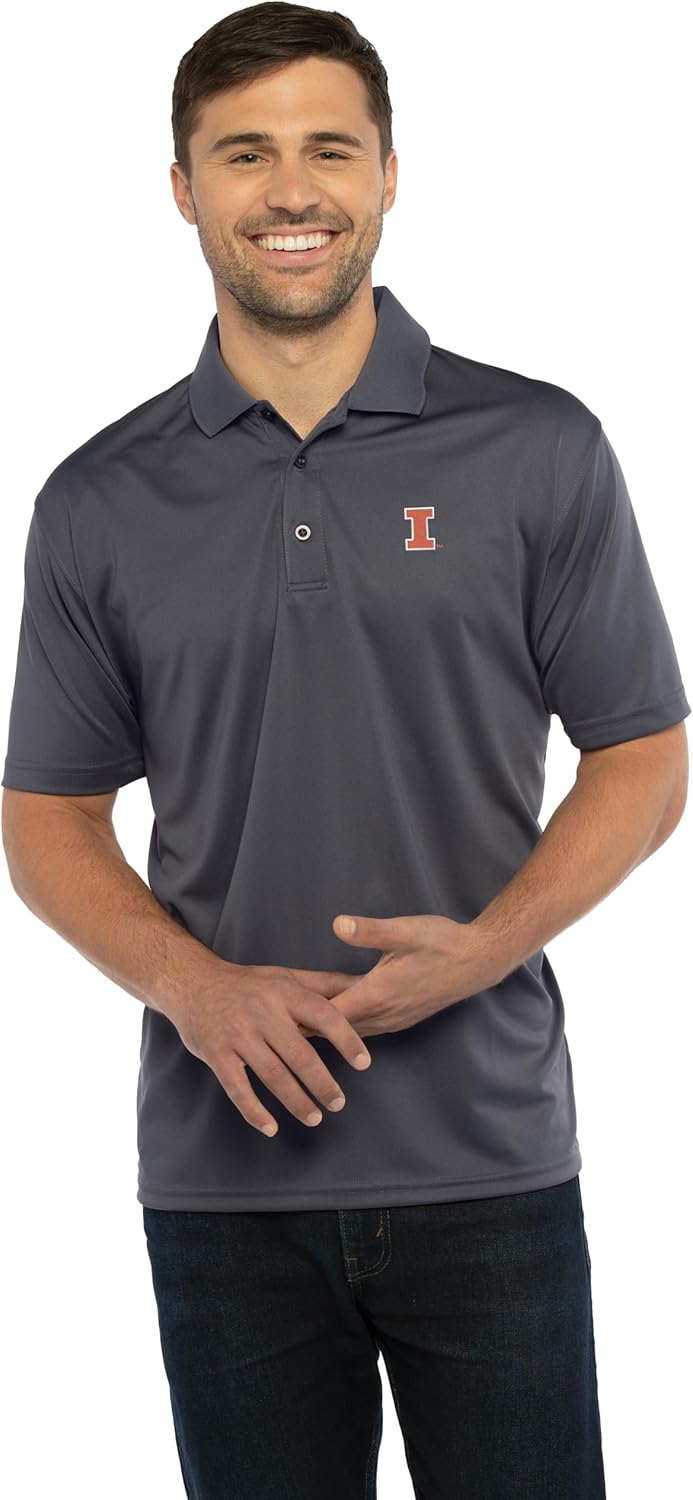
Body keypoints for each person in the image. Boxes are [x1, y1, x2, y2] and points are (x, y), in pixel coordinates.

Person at [1, 3, 689, 1495]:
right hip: (222, 1175)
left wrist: (487, 947)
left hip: (487, 1153)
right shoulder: (96, 500)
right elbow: (46, 814)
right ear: (183, 187)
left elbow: (644, 752)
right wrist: (192, 986)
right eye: (243, 154)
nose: (290, 191)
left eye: (328, 148)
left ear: (388, 174)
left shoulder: (539, 447)